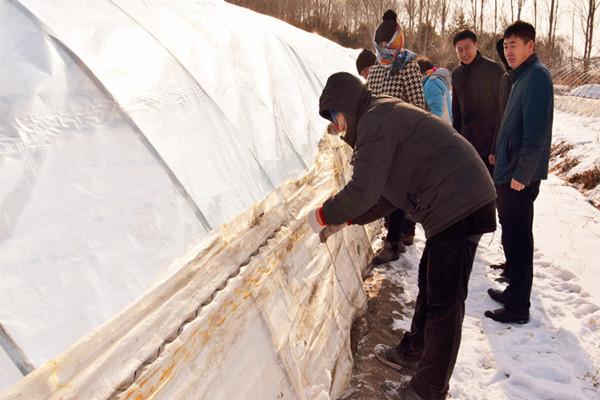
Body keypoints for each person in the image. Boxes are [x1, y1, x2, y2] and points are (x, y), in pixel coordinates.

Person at [308, 72, 496, 400]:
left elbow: (364, 190)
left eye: (336, 115)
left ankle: (429, 389)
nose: (338, 126)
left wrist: (323, 215)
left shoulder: (375, 121)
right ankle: (415, 352)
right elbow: (384, 195)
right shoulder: (377, 115)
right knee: (431, 282)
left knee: (445, 302)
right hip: (454, 201)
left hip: (459, 202)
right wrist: (348, 220)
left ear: (349, 104)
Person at [485, 21, 554, 324]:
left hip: (518, 176)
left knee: (519, 238)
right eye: (506, 45)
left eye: (515, 45)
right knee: (512, 234)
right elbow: (511, 124)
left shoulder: (537, 77)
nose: (509, 51)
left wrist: (523, 173)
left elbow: (536, 132)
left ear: (531, 46)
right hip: (509, 169)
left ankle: (518, 307)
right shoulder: (520, 77)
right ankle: (513, 289)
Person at [367, 9, 425, 263]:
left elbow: (418, 106)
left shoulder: (408, 66)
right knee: (384, 190)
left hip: (402, 141)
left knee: (398, 192)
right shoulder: (378, 68)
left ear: (397, 42)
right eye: (380, 48)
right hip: (379, 140)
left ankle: (394, 241)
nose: (384, 53)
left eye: (387, 47)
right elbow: (368, 99)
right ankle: (393, 234)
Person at [451, 29, 504, 176]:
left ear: (476, 45)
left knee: (492, 191)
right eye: (459, 50)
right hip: (467, 144)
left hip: (490, 145)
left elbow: (502, 111)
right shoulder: (456, 75)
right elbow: (456, 113)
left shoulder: (494, 70)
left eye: (467, 48)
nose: (463, 53)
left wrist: (496, 148)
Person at [416, 56, 453, 122]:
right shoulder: (434, 80)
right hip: (446, 125)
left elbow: (437, 112)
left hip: (442, 127)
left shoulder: (431, 83)